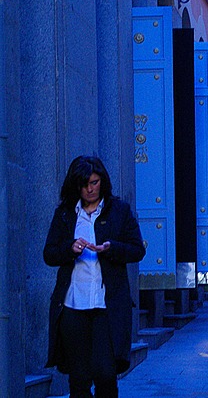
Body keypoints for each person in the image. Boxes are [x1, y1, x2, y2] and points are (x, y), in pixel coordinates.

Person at [43, 156, 145, 397]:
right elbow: (49, 254)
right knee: (78, 378)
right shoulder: (66, 214)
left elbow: (137, 249)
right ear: (75, 186)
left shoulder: (119, 211)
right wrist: (70, 248)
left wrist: (112, 248)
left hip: (105, 306)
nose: (90, 189)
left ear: (103, 182)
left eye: (95, 182)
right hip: (72, 305)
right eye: (84, 184)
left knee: (105, 373)